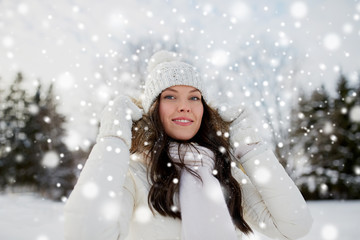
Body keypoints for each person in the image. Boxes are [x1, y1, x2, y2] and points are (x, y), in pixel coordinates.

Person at [64, 50, 313, 240]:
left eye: (194, 97)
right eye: (170, 96)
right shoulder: (134, 174)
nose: (185, 106)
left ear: (204, 110)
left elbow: (294, 226)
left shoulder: (226, 175)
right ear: (153, 110)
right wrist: (113, 138)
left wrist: (250, 146)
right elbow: (85, 233)